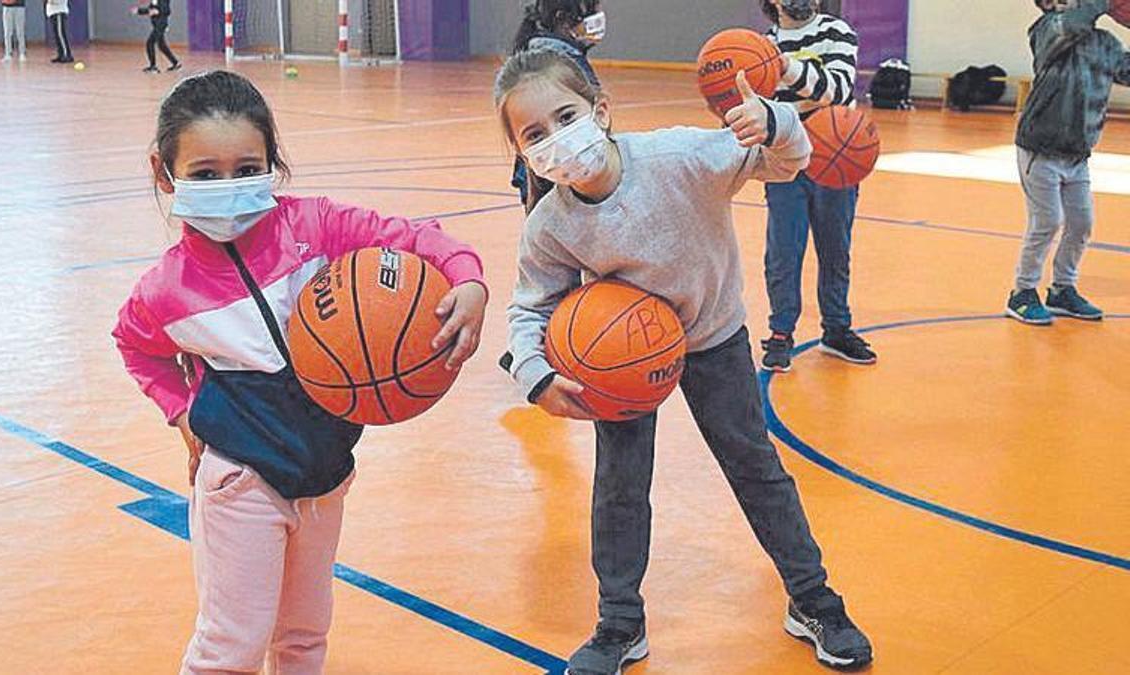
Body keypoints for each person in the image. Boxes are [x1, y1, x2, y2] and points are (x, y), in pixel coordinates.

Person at [496, 48, 872, 674]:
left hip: (712, 334)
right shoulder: (551, 225)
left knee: (755, 467)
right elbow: (528, 309)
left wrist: (773, 122)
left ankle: (813, 599)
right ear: (520, 151)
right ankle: (619, 623)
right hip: (619, 359)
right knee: (619, 486)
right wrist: (534, 377)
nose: (556, 140)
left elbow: (786, 164)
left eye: (566, 117)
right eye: (535, 134)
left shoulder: (681, 158)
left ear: (601, 110)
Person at [112, 70, 488, 674]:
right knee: (230, 646)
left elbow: (419, 239)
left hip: (325, 476)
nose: (228, 188)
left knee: (305, 636)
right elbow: (135, 346)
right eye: (205, 175)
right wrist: (181, 411)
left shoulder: (315, 227)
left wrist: (467, 277)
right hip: (241, 480)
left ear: (273, 164)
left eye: (246, 169)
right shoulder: (167, 289)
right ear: (166, 174)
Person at [756, 0, 873, 372]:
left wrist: (786, 68)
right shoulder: (759, 47)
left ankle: (837, 329)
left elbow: (837, 91)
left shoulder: (837, 32)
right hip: (785, 164)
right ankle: (780, 332)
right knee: (783, 252)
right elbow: (766, 110)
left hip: (837, 161)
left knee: (835, 250)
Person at [1005, 0, 1129, 324]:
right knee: (1047, 222)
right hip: (1039, 149)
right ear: (1048, 4)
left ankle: (1062, 289)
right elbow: (1072, 24)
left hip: (1077, 155)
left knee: (1081, 224)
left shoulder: (1105, 43)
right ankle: (1022, 292)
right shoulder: (1046, 30)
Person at [510, 0, 605, 214]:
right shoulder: (552, 64)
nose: (598, 17)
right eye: (592, 11)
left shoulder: (556, 53)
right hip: (554, 175)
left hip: (547, 175)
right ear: (563, 18)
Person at [135, 0, 181, 73]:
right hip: (156, 25)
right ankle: (175, 63)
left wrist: (158, 11)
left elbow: (166, 10)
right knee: (162, 46)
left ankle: (153, 67)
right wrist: (139, 11)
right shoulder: (154, 1)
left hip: (161, 25)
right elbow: (151, 10)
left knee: (150, 43)